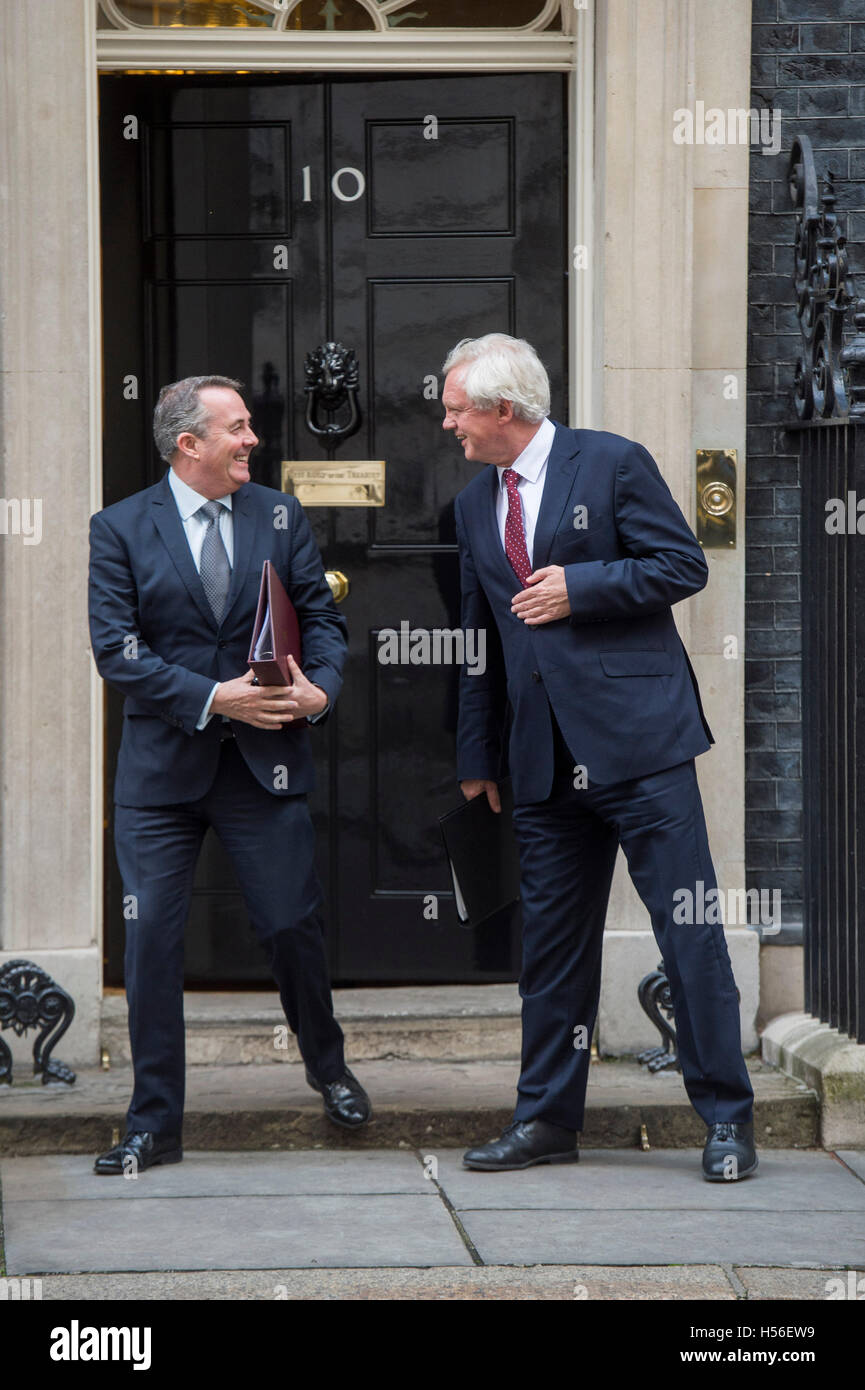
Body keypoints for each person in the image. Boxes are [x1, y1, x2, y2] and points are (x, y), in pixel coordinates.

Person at [444, 334, 756, 1182]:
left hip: (641, 744)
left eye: (456, 410)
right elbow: (477, 638)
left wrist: (580, 588)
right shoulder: (475, 502)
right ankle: (545, 1121)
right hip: (538, 761)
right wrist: (479, 756)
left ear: (502, 410)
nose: (448, 425)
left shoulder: (612, 464)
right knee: (549, 949)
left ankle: (726, 1119)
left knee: (687, 932)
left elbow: (680, 564)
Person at [88, 375, 370, 1175]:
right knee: (150, 946)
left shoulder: (277, 514)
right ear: (189, 444)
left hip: (264, 766)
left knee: (289, 926)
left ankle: (328, 1067)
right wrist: (216, 699)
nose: (252, 440)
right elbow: (118, 651)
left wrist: (319, 690)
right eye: (237, 428)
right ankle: (154, 1126)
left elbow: (320, 614)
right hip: (161, 776)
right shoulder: (118, 529)